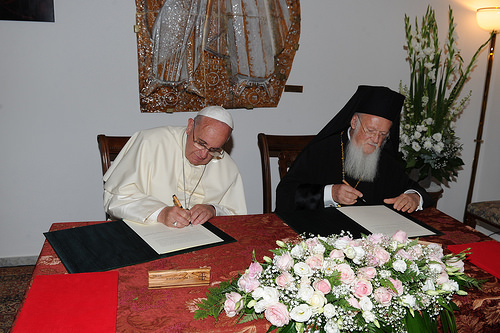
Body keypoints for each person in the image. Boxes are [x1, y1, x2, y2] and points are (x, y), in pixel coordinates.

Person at [275, 85, 432, 213]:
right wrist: (331, 193)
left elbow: (414, 189)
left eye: (383, 134)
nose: (376, 140)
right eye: (370, 131)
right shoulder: (322, 150)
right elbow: (285, 195)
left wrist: (414, 197)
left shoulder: (385, 159)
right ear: (354, 122)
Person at [103, 106, 247, 228]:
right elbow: (116, 199)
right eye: (201, 143)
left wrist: (213, 209)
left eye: (213, 149)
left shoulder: (226, 165)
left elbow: (237, 215)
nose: (203, 154)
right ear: (190, 126)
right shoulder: (150, 143)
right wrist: (160, 213)